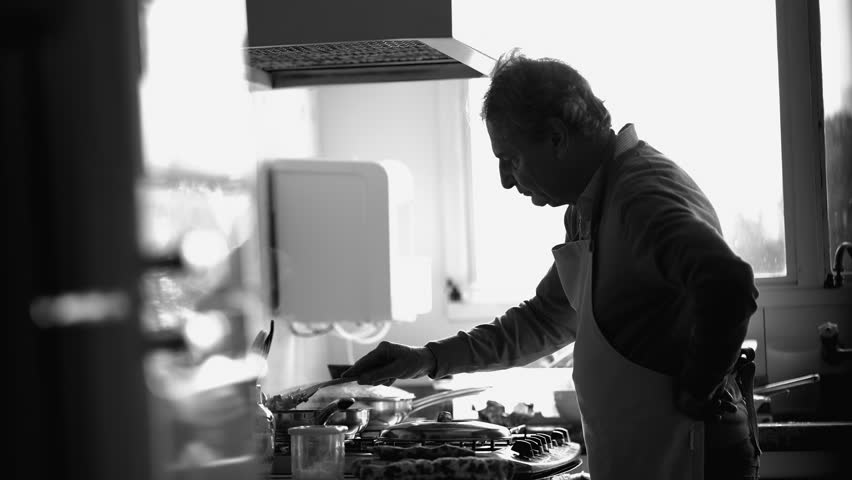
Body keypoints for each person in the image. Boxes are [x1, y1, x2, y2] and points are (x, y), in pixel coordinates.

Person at [342, 50, 761, 480]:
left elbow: (728, 284)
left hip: (690, 457)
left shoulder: (641, 197)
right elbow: (544, 321)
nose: (506, 179)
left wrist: (696, 389)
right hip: (647, 455)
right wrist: (424, 358)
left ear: (557, 138)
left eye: (511, 158)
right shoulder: (588, 205)